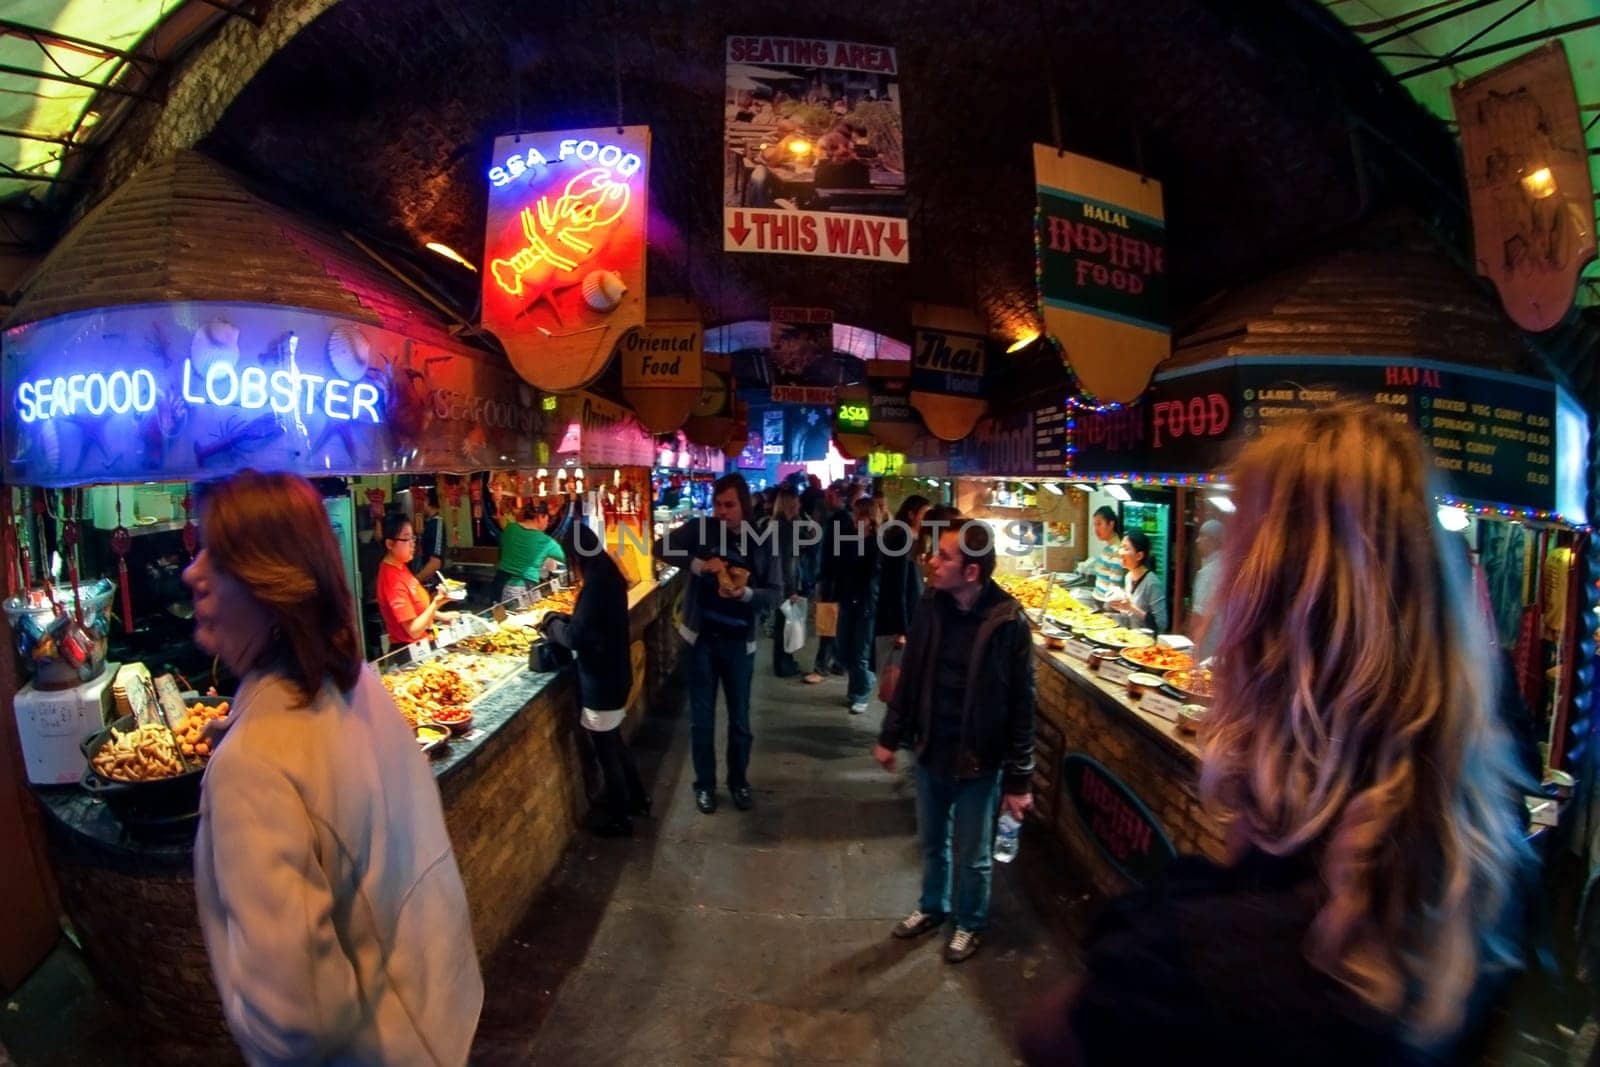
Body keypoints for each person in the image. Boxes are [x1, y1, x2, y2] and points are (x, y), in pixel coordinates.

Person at [1017, 403, 1531, 1064]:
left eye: (1232, 571)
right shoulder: (1490, 886)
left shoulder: (1192, 964)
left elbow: (1046, 1035)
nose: (1207, 631)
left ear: (1265, 642)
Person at [184, 470, 482, 1065]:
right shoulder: (356, 683)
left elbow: (296, 1015)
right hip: (436, 1014)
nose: (193, 573)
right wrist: (243, 734)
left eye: (215, 554)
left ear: (271, 583)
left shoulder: (255, 766)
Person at [874, 519, 1036, 964]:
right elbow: (912, 674)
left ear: (972, 572)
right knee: (932, 842)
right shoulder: (931, 604)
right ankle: (931, 907)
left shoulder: (1009, 624)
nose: (931, 561)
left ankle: (970, 922)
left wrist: (1019, 780)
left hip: (978, 760)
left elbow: (1023, 705)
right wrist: (891, 735)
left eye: (943, 556)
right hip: (930, 750)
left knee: (972, 853)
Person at [655, 472, 780, 814]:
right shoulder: (701, 530)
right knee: (701, 719)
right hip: (701, 642)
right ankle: (704, 785)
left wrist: (746, 594)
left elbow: (774, 593)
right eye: (717, 505)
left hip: (739, 644)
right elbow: (659, 547)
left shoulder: (762, 540)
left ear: (744, 505)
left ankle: (738, 782)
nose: (722, 512)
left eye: (729, 505)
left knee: (739, 720)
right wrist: (698, 565)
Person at [540, 519, 648, 838]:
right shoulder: (607, 575)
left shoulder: (597, 584)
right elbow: (590, 624)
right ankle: (638, 798)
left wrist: (551, 626)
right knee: (614, 741)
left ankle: (620, 817)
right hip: (615, 674)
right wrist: (565, 618)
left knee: (606, 750)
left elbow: (577, 638)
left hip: (602, 681)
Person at [875, 495, 930, 707]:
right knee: (900, 683)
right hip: (898, 623)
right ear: (911, 514)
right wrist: (903, 629)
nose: (928, 519)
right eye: (925, 514)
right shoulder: (903, 540)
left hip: (903, 620)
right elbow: (898, 587)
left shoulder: (909, 539)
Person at [377, 512, 456, 647]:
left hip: (425, 643)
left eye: (413, 538)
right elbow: (413, 630)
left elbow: (416, 609)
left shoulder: (401, 566)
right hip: (409, 652)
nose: (413, 544)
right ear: (390, 544)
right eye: (407, 538)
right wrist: (436, 603)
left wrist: (441, 616)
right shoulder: (392, 579)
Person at [835, 496, 881, 714]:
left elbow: (871, 574)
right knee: (848, 648)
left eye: (859, 515)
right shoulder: (853, 539)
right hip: (850, 599)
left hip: (865, 602)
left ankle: (862, 691)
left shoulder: (876, 543)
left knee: (861, 651)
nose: (855, 519)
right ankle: (855, 690)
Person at [805, 483, 850, 683]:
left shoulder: (838, 521)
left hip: (833, 579)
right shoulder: (843, 519)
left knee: (828, 622)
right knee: (834, 622)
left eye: (829, 495)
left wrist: (823, 577)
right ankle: (839, 663)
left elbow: (832, 555)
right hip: (837, 578)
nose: (826, 499)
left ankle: (822, 666)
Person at [494, 501, 566, 602]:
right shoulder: (545, 541)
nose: (547, 523)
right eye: (547, 518)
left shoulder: (510, 528)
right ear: (540, 517)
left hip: (499, 583)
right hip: (519, 589)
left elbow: (501, 555)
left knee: (498, 616)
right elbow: (569, 558)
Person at [767, 486, 805, 679]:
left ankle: (782, 663)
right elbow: (786, 560)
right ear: (790, 504)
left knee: (783, 626)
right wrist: (791, 588)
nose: (799, 504)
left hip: (776, 582)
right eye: (796, 501)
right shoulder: (786, 528)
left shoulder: (776, 525)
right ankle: (784, 665)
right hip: (783, 583)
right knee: (786, 627)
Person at [1104, 530, 1166, 633]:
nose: (1121, 553)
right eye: (1121, 547)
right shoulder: (1129, 576)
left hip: (1147, 642)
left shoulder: (1152, 583)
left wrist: (1131, 607)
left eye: (1126, 548)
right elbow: (1130, 616)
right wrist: (1113, 615)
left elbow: (1161, 624)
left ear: (1139, 556)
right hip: (1131, 636)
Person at [1188, 518, 1225, 657]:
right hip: (1223, 642)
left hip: (1209, 644)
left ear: (1213, 540)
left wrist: (1192, 644)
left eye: (1202, 535)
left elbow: (1200, 616)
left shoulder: (1209, 572)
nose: (1197, 540)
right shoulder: (1227, 566)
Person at [1075, 505, 1126, 602]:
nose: (1096, 529)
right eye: (1094, 525)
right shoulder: (1107, 549)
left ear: (1111, 524)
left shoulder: (1117, 552)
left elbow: (1114, 590)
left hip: (1105, 604)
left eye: (1099, 524)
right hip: (1097, 598)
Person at [410, 485, 446, 593]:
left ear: (426, 500)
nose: (415, 505)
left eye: (417, 501)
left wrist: (414, 582)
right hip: (420, 585)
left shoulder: (437, 524)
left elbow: (435, 563)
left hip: (430, 586)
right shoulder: (425, 523)